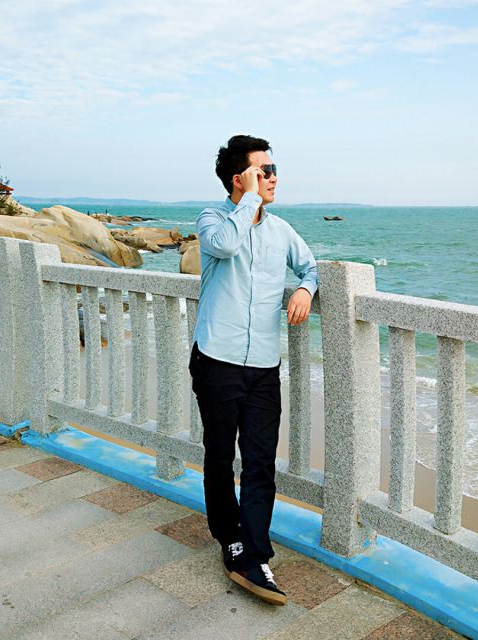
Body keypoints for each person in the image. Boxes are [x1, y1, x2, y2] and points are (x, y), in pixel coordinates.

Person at [189, 135, 317, 606]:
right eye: (265, 171)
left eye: (274, 169)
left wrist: (304, 289)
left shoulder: (282, 231)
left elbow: (310, 267)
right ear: (239, 178)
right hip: (217, 359)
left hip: (263, 364)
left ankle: (256, 554)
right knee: (220, 456)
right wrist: (247, 201)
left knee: (261, 461)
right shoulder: (212, 220)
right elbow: (223, 247)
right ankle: (231, 540)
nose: (274, 178)